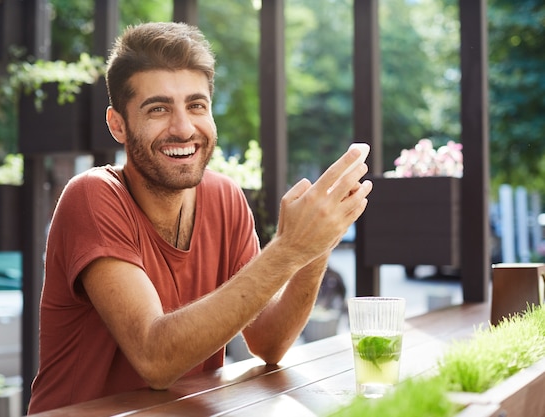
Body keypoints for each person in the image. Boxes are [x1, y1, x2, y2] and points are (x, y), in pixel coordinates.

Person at [27, 21, 372, 414]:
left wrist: (316, 245)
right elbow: (155, 359)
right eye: (158, 109)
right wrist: (288, 247)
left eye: (196, 105)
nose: (183, 127)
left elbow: (270, 343)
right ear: (117, 125)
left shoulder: (225, 198)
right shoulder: (92, 196)